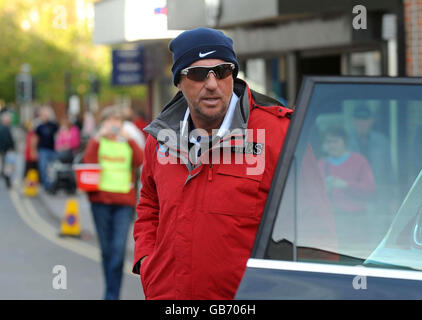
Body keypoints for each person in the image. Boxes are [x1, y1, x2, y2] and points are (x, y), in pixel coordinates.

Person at [132, 27, 292, 300]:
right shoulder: (160, 137)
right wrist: (148, 263)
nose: (211, 84)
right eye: (196, 73)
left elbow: (314, 228)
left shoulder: (279, 133)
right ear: (179, 82)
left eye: (221, 71)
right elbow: (150, 203)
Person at [83, 105, 143, 300]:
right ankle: (111, 294)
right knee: (107, 252)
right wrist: (97, 138)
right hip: (100, 202)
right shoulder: (98, 142)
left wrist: (131, 139)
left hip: (124, 203)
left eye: (118, 121)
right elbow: (88, 162)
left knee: (118, 253)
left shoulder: (127, 142)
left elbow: (141, 160)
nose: (115, 125)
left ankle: (111, 295)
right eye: (111, 121)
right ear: (104, 123)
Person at [318, 126, 375, 256]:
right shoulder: (321, 164)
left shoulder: (359, 161)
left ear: (344, 142)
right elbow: (311, 196)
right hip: (333, 222)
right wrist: (324, 190)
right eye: (328, 142)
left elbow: (370, 190)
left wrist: (347, 185)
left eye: (335, 141)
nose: (331, 145)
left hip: (358, 222)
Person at [35, 106, 58, 191]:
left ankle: (53, 185)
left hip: (52, 149)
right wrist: (35, 150)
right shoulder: (39, 126)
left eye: (46, 114)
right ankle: (47, 186)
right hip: (42, 150)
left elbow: (58, 134)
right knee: (43, 168)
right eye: (43, 114)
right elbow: (35, 138)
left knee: (52, 169)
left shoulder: (53, 125)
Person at [0, 111, 15, 188]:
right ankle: (8, 182)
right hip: (7, 151)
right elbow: (7, 140)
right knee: (8, 167)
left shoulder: (4, 128)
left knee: (5, 166)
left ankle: (4, 175)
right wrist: (11, 148)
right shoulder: (5, 128)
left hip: (4, 150)